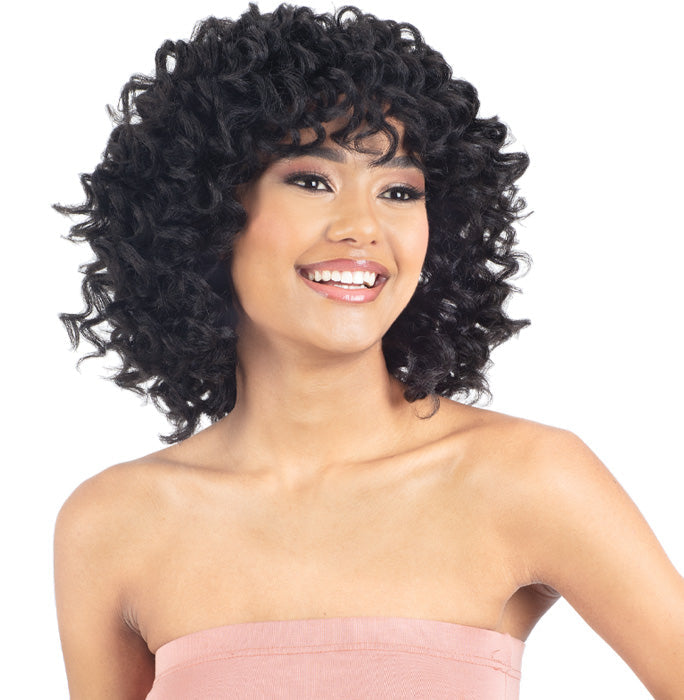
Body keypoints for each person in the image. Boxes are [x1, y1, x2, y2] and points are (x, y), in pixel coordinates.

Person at [53, 4, 684, 698]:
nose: (363, 227)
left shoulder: (527, 477)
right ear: (206, 213)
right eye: (312, 181)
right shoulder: (114, 524)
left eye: (399, 191)